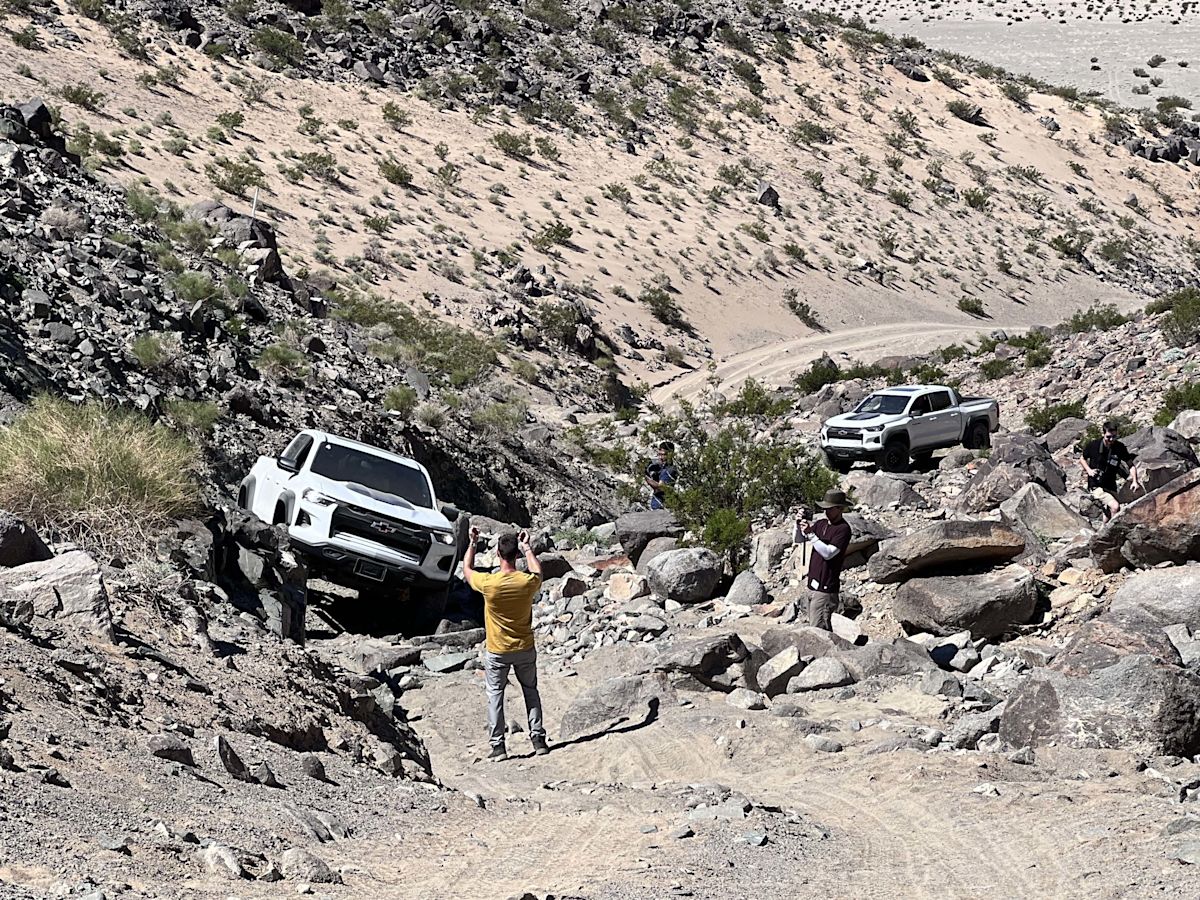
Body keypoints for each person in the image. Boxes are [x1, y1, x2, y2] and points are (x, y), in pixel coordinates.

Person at [463, 527, 548, 761]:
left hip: (498, 650)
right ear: (516, 557)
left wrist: (472, 542)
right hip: (524, 648)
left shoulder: (489, 584)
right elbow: (538, 571)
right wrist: (528, 547)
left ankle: (498, 746)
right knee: (530, 691)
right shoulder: (526, 582)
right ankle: (538, 739)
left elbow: (467, 570)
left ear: (498, 556)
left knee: (495, 695)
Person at [793, 490, 854, 631]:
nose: (826, 512)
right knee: (814, 624)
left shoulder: (843, 530)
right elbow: (799, 539)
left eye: (830, 509)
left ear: (840, 509)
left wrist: (811, 535)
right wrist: (798, 525)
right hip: (812, 585)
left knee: (818, 629)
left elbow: (828, 553)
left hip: (825, 589)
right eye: (825, 509)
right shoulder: (821, 524)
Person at [1079, 422, 1141, 519]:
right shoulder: (1094, 445)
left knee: (1111, 510)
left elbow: (1131, 465)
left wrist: (1134, 481)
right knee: (1115, 506)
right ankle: (1112, 532)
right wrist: (1089, 470)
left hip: (1111, 484)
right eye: (1108, 437)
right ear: (1103, 434)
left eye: (1114, 436)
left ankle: (1103, 530)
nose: (1111, 440)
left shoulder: (1119, 447)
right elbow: (1082, 459)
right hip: (1096, 484)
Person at [644, 441, 678, 510]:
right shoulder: (662, 468)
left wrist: (646, 478)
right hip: (657, 504)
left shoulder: (670, 470)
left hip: (663, 505)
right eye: (659, 454)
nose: (660, 457)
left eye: (663, 455)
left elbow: (660, 487)